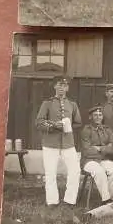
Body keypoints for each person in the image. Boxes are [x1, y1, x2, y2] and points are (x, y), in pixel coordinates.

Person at [35, 76, 81, 207]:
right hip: (51, 143)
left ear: (67, 88)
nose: (62, 88)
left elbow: (78, 123)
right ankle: (52, 201)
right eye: (59, 85)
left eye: (64, 85)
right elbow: (38, 123)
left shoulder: (72, 104)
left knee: (75, 171)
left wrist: (68, 125)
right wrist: (53, 126)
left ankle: (70, 200)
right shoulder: (47, 103)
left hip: (68, 144)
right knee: (50, 173)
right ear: (54, 86)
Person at [80, 105, 113, 203]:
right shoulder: (86, 130)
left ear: (102, 117)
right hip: (88, 161)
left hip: (105, 160)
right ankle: (106, 200)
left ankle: (108, 198)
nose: (98, 117)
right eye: (95, 115)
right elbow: (87, 151)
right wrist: (106, 148)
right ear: (90, 117)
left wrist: (99, 148)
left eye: (100, 115)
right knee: (99, 172)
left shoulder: (107, 130)